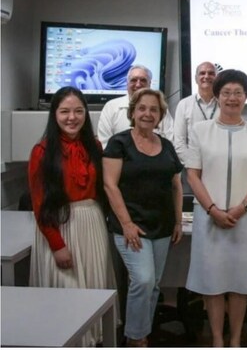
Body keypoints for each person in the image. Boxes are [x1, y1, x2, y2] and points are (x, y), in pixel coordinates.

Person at [184, 69, 247, 347]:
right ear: (217, 95)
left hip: (243, 219)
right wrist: (212, 209)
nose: (232, 98)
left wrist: (241, 208)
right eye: (226, 93)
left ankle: (235, 339)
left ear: (246, 97)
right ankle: (217, 339)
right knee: (212, 282)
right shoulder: (201, 131)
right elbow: (192, 175)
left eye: (238, 93)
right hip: (208, 218)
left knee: (239, 282)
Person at [28, 86, 116, 346]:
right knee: (66, 294)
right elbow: (39, 204)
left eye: (79, 111)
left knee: (92, 290)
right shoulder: (42, 152)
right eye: (65, 111)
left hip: (92, 224)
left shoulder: (96, 147)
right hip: (60, 227)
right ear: (54, 114)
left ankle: (93, 340)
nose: (72, 117)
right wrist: (57, 246)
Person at [103, 88, 183, 347]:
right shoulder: (119, 142)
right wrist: (126, 224)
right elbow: (109, 185)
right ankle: (137, 339)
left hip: (161, 226)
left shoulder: (167, 145)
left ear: (160, 115)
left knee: (155, 284)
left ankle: (141, 332)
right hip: (131, 226)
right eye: (142, 108)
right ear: (133, 112)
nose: (148, 113)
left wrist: (179, 221)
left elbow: (176, 185)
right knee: (143, 279)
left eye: (154, 109)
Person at [97, 64, 174, 148]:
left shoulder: (161, 108)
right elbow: (104, 144)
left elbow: (171, 141)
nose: (138, 85)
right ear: (127, 83)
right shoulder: (111, 107)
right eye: (133, 80)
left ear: (150, 83)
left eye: (143, 80)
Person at [173, 61, 220, 161]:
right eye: (202, 73)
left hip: (219, 165)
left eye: (211, 73)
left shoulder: (224, 105)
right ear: (196, 79)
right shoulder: (184, 104)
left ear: (217, 78)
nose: (206, 76)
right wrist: (194, 164)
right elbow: (179, 143)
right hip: (191, 167)